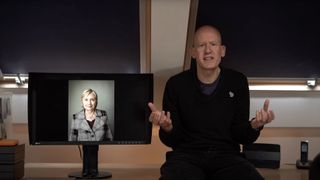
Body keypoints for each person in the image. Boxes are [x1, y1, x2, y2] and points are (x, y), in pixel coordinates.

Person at [148, 25, 275, 180]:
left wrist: (255, 125)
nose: (208, 50)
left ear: (222, 50)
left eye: (213, 44)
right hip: (186, 159)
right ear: (193, 52)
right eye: (201, 45)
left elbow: (240, 135)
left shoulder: (237, 81)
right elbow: (172, 140)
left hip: (228, 158)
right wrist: (167, 128)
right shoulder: (176, 85)